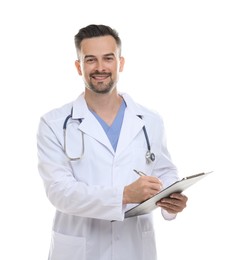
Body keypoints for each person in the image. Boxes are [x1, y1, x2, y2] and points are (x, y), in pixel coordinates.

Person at [37, 24, 188, 260]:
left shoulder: (150, 120)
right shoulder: (54, 123)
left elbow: (164, 171)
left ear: (121, 63)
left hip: (134, 247)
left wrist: (171, 198)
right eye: (90, 60)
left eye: (108, 58)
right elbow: (60, 192)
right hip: (80, 251)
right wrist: (124, 195)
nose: (100, 68)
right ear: (79, 66)